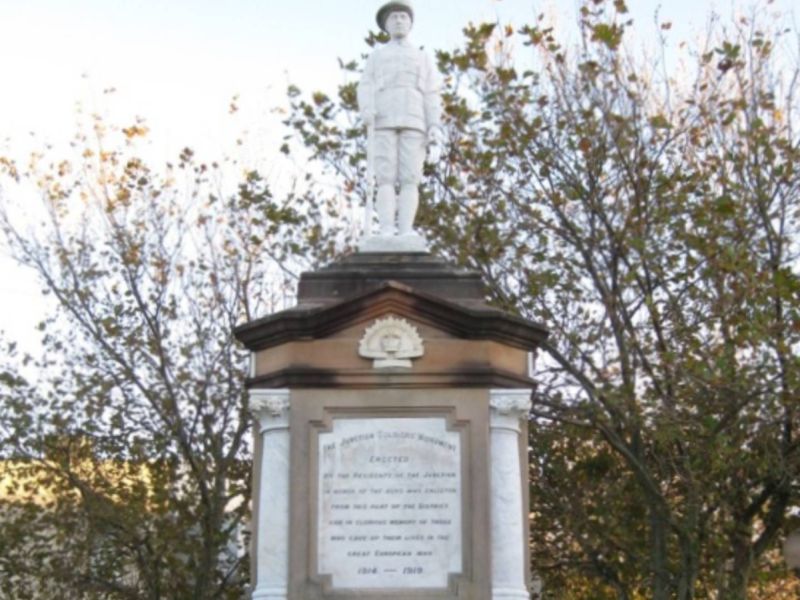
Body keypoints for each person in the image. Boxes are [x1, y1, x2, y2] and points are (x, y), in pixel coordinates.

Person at [357, 1, 443, 242]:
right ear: (386, 24)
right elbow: (365, 84)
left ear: (410, 23)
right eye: (394, 18)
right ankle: (385, 229)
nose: (399, 21)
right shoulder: (377, 56)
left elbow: (431, 92)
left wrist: (434, 124)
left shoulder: (422, 57)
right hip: (383, 118)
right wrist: (366, 108)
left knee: (410, 178)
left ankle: (405, 230)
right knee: (384, 177)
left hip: (414, 119)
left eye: (403, 17)